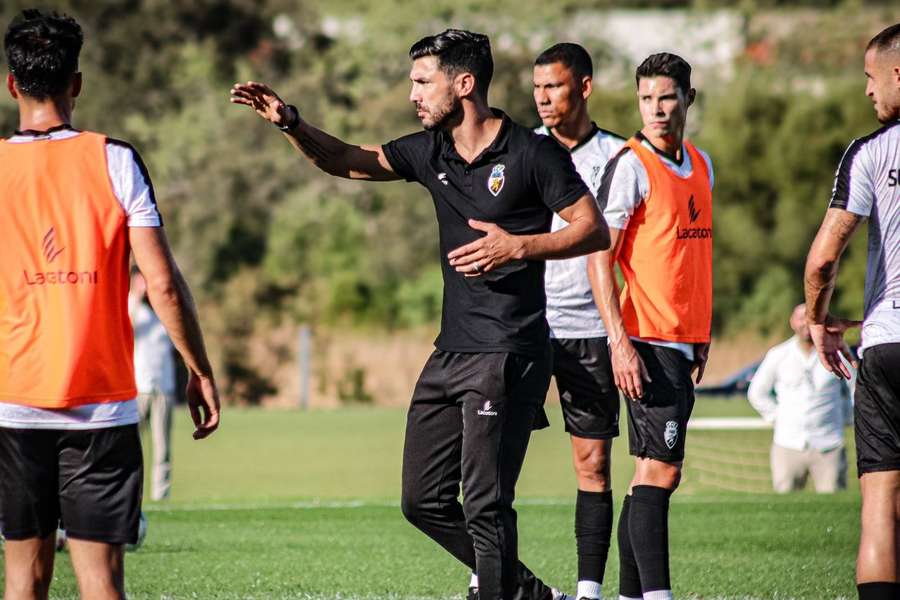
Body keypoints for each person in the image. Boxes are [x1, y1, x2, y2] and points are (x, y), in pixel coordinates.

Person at [231, 29, 609, 600]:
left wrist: (519, 245)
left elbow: (593, 228)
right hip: (451, 350)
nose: (412, 93)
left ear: (464, 84)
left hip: (509, 350)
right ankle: (531, 594)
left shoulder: (533, 154)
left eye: (422, 81)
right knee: (422, 501)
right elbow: (347, 161)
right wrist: (290, 122)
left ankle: (501, 592)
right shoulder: (429, 150)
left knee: (485, 502)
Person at [0, 9, 220, 600]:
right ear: (76, 82)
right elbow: (164, 284)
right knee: (102, 583)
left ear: (11, 83)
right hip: (100, 408)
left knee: (23, 580)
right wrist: (197, 369)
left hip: (12, 405)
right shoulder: (114, 159)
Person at [592, 53, 713, 600]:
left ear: (689, 97)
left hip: (681, 343)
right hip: (645, 340)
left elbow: (693, 259)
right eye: (646, 99)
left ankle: (628, 596)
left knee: (652, 473)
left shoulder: (703, 164)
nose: (657, 109)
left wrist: (700, 335)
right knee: (660, 474)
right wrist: (620, 343)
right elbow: (600, 258)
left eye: (666, 97)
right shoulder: (631, 164)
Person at [803, 22, 900, 600]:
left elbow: (822, 261)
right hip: (882, 329)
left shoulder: (870, 152)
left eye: (870, 77)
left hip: (887, 347)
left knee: (881, 501)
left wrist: (819, 320)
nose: (867, 91)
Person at [532, 43, 624, 600]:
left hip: (590, 329)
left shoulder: (617, 156)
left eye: (555, 87)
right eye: (537, 88)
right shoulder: (519, 148)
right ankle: (485, 577)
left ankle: (588, 589)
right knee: (495, 457)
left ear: (584, 88)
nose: (543, 99)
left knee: (592, 462)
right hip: (525, 326)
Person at [747, 303, 853, 493]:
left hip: (829, 444)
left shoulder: (837, 353)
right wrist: (777, 417)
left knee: (833, 508)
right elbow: (757, 392)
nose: (806, 323)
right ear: (792, 322)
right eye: (801, 317)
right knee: (785, 510)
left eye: (811, 317)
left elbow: (856, 389)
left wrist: (845, 417)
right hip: (787, 444)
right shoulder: (778, 354)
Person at [130, 268, 177, 502]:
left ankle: (161, 496)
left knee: (162, 449)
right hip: (138, 387)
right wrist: (136, 297)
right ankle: (130, 494)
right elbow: (125, 330)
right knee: (130, 448)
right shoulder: (132, 306)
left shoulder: (161, 309)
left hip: (164, 387)